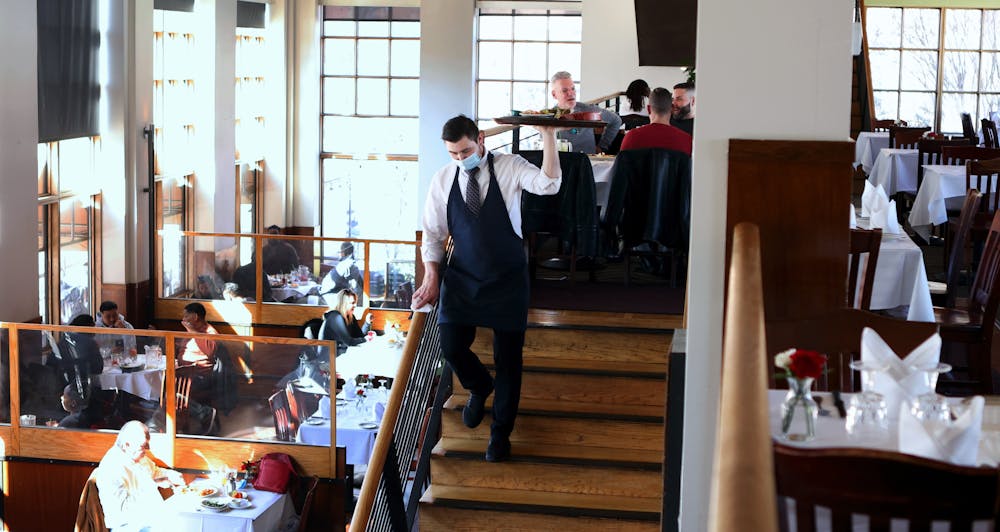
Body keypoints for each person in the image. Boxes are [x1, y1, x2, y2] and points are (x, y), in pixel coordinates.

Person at [413, 114, 563, 462]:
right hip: (463, 276)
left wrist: (549, 138)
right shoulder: (443, 179)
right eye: (453, 154)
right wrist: (431, 275)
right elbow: (433, 236)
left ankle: (500, 434)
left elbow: (549, 184)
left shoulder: (509, 166)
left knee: (508, 360)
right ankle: (479, 386)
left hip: (507, 278)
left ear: (480, 139)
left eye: (466, 151)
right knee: (451, 346)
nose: (461, 160)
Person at [95, 421, 183, 531]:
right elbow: (121, 511)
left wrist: (170, 475)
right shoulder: (111, 467)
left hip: (150, 517)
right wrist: (153, 485)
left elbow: (154, 471)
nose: (145, 451)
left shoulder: (136, 454)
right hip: (129, 526)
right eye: (143, 446)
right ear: (126, 445)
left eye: (146, 446)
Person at [550, 71, 622, 154]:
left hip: (589, 162)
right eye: (564, 90)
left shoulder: (588, 110)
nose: (570, 93)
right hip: (561, 163)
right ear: (554, 95)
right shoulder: (549, 117)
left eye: (573, 89)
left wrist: (603, 146)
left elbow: (616, 120)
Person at [619, 87, 693, 155]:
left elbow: (621, 168)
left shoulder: (632, 137)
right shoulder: (686, 140)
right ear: (671, 108)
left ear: (648, 109)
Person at [319, 289, 373, 358]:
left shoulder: (350, 317)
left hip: (340, 355)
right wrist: (366, 339)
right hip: (328, 362)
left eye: (355, 302)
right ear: (343, 304)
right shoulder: (335, 317)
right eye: (352, 303)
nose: (355, 305)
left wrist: (367, 323)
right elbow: (349, 342)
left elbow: (360, 337)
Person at [177, 302, 218, 377]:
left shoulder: (210, 332)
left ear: (195, 317)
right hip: (182, 370)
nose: (183, 319)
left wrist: (192, 331)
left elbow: (210, 351)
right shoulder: (191, 330)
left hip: (199, 374)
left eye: (186, 316)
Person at [319, 241, 363, 306]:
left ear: (343, 253)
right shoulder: (350, 265)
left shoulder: (345, 264)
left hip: (325, 293)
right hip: (330, 297)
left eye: (341, 251)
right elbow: (359, 287)